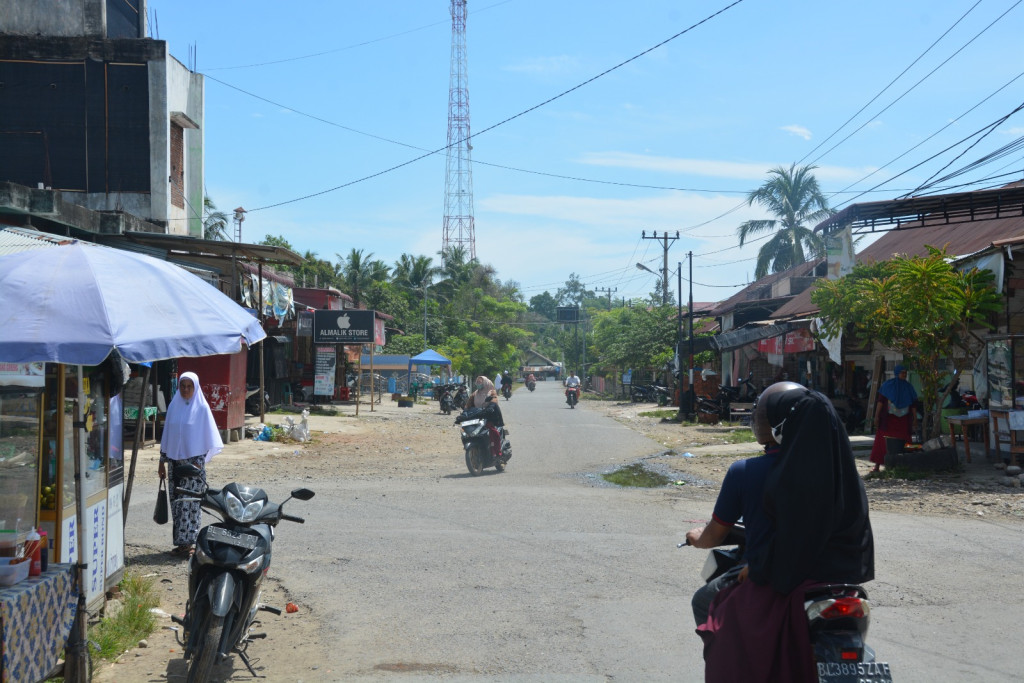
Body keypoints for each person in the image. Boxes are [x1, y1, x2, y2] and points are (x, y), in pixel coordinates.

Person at [696, 385, 874, 682]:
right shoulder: (843, 474)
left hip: (788, 581)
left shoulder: (780, 475)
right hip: (841, 579)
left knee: (719, 615)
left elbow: (795, 538)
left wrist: (759, 565)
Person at [685, 381, 801, 626]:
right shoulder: (838, 471)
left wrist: (697, 538)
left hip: (767, 572)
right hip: (831, 576)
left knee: (702, 601)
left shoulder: (745, 472)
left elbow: (714, 535)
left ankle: (730, 662)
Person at [158, 372, 223, 558]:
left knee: (191, 504)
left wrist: (197, 463)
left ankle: (192, 543)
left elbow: (207, 437)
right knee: (177, 504)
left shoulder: (202, 408)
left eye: (189, 386)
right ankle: (181, 543)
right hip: (174, 464)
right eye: (183, 386)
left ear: (195, 387)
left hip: (193, 465)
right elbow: (167, 436)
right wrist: (162, 462)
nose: (186, 390)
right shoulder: (173, 406)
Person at [869, 364, 918, 473]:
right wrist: (876, 416)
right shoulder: (887, 386)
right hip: (888, 420)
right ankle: (877, 465)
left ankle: (906, 465)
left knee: (906, 440)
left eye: (905, 373)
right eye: (902, 372)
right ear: (896, 373)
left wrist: (915, 419)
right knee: (882, 441)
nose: (904, 375)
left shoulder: (909, 387)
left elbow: (913, 405)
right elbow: (880, 402)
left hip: (903, 420)